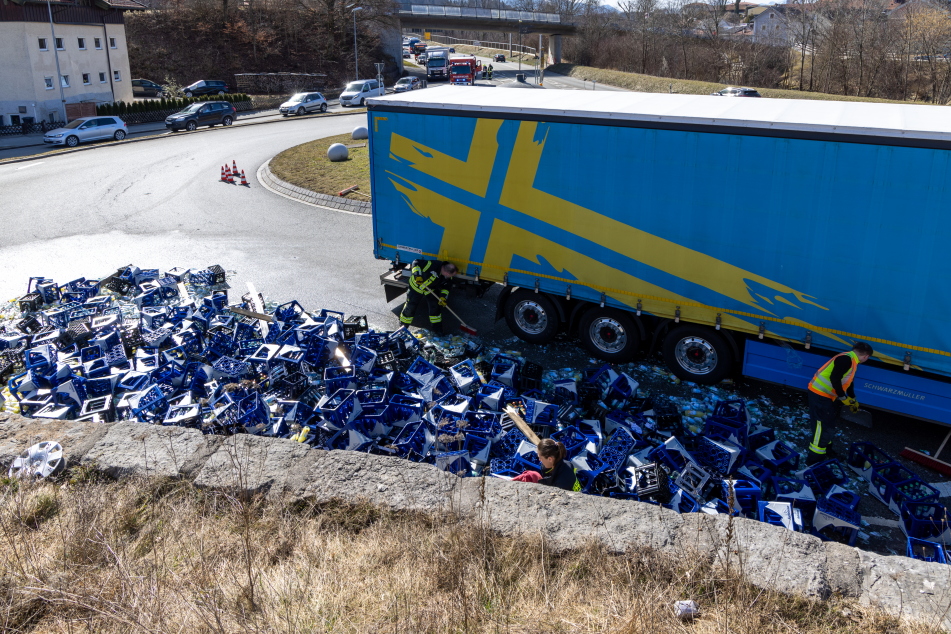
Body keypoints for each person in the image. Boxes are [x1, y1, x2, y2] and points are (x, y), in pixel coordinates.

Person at [805, 341, 873, 465]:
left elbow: (848, 381)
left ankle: (827, 450)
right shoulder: (845, 359)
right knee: (821, 426)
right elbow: (834, 378)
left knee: (828, 424)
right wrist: (842, 397)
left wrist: (852, 398)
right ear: (866, 356)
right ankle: (813, 460)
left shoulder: (851, 360)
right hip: (819, 395)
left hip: (826, 396)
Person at [399, 259, 457, 334]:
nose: (451, 277)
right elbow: (416, 262)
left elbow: (446, 287)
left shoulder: (447, 277)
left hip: (430, 290)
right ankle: (403, 327)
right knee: (410, 307)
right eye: (451, 275)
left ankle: (437, 330)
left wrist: (443, 297)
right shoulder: (431, 264)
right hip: (416, 287)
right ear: (447, 273)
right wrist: (417, 275)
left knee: (435, 307)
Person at [512, 439, 582, 492]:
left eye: (540, 458)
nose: (539, 460)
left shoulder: (562, 482)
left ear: (550, 459)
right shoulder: (561, 464)